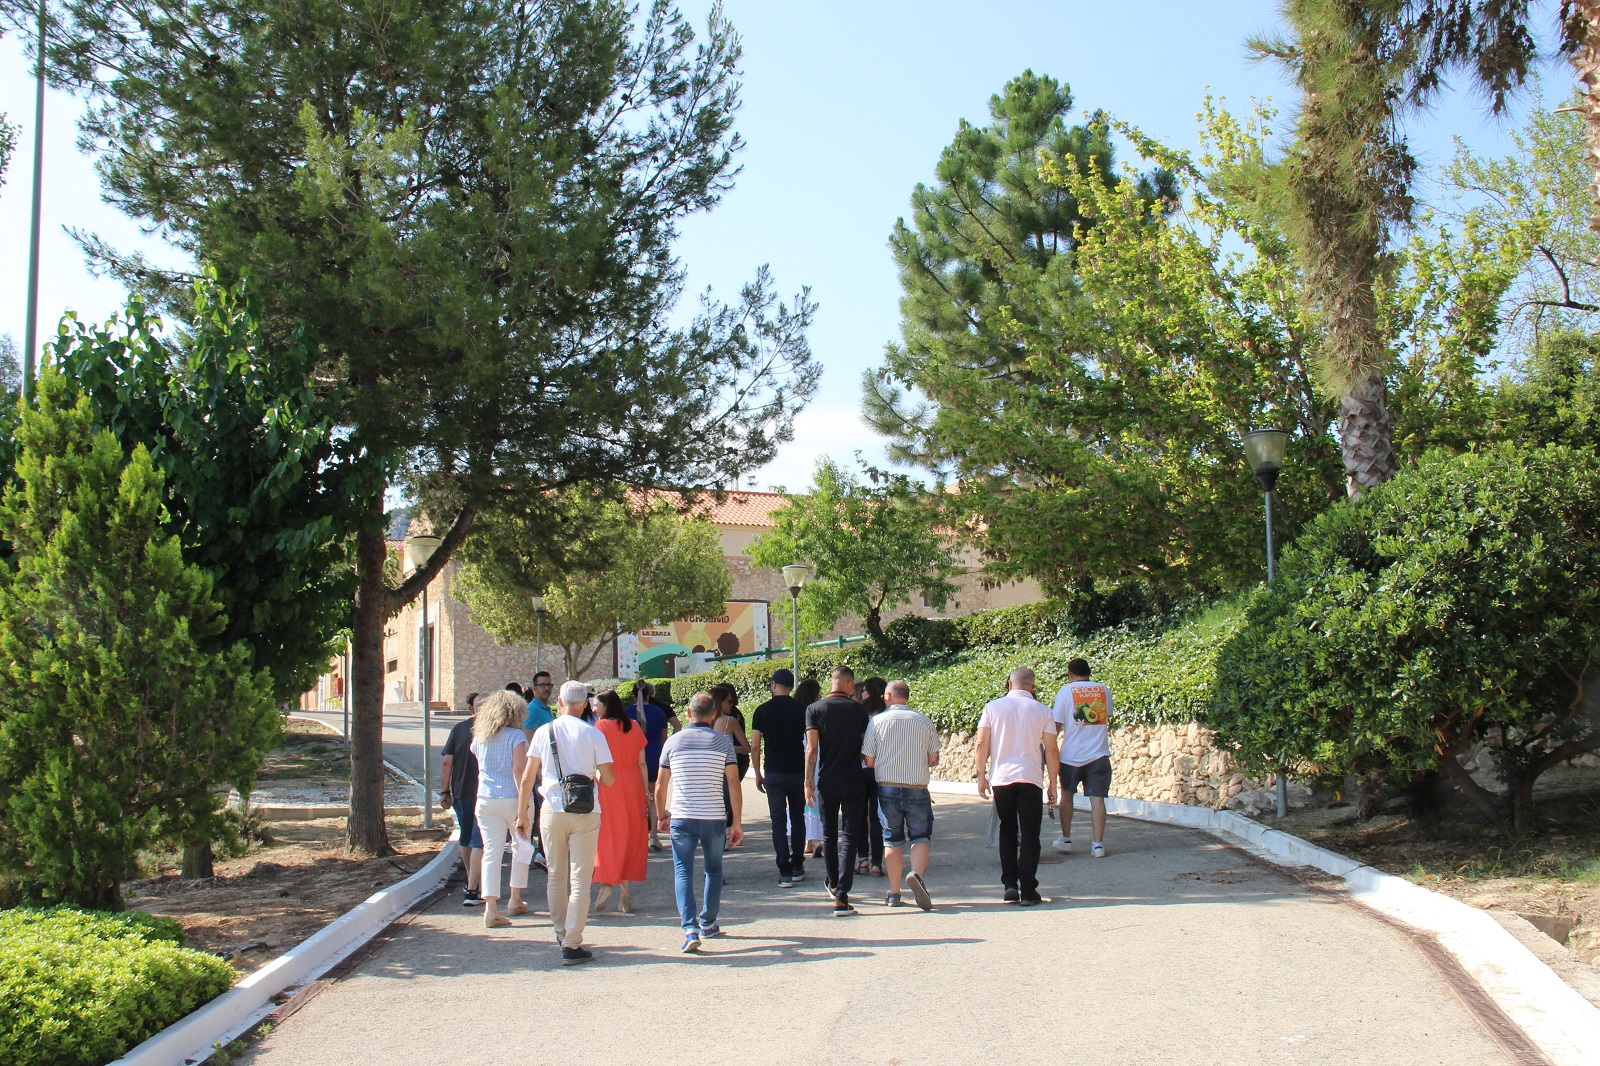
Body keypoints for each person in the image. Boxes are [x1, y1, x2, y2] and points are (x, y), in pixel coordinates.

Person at [516, 680, 615, 965]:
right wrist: (591, 774)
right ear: (585, 704)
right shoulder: (593, 733)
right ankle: (573, 941)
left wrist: (522, 814)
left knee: (555, 874)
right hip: (585, 810)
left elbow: (527, 776)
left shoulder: (544, 732)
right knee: (580, 877)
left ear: (559, 702)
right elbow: (608, 779)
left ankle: (560, 933)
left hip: (552, 809)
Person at [655, 691, 744, 954]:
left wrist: (661, 815)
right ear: (714, 714)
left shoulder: (673, 742)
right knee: (713, 870)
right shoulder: (723, 743)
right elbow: (733, 784)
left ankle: (689, 928)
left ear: (688, 714)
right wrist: (736, 821)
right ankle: (709, 921)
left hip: (682, 816)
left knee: (683, 871)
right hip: (714, 817)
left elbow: (661, 785)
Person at [975, 667, 1060, 906]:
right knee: (1031, 834)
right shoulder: (1044, 710)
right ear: (1032, 686)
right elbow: (1051, 750)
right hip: (1030, 777)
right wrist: (1053, 783)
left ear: (1009, 684)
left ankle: (1010, 884)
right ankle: (1029, 889)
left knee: (1008, 830)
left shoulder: (992, 708)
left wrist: (981, 775)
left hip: (1002, 778)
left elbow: (982, 743)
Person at [862, 679, 942, 910]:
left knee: (892, 839)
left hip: (887, 787)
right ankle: (915, 874)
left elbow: (868, 760)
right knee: (920, 836)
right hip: (916, 787)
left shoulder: (876, 722)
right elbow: (933, 758)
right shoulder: (923, 721)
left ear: (887, 696)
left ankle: (894, 892)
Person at [804, 665, 870, 916]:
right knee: (851, 836)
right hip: (854, 779)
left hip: (827, 780)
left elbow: (811, 750)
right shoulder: (858, 711)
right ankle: (842, 895)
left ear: (832, 682)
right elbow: (865, 747)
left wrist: (808, 783)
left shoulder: (814, 709)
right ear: (849, 683)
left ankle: (832, 882)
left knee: (830, 835)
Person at [469, 690, 531, 929]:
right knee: (520, 847)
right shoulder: (516, 736)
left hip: (485, 798)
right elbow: (518, 770)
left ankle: (490, 908)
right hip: (512, 796)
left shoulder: (480, 737)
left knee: (491, 852)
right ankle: (515, 899)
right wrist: (524, 804)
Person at [750, 668, 808, 887]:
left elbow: (755, 746)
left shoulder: (762, 711)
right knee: (798, 819)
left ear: (774, 684)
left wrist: (757, 773)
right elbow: (811, 743)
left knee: (778, 822)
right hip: (797, 770)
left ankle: (784, 870)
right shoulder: (802, 710)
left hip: (773, 771)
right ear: (791, 687)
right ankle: (798, 864)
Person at [592, 690, 649, 913]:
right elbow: (642, 762)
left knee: (607, 834)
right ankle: (625, 891)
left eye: (597, 705)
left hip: (608, 782)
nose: (594, 709)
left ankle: (606, 882)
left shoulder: (600, 728)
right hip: (632, 781)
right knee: (630, 834)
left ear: (607, 706)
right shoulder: (633, 725)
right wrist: (646, 792)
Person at [1051, 657, 1114, 858]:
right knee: (1097, 799)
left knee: (1067, 795)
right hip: (1099, 754)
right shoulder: (1104, 690)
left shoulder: (1065, 691)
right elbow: (1107, 715)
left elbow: (1057, 724)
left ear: (1070, 674)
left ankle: (1066, 839)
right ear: (1089, 672)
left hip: (1071, 755)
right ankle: (1098, 845)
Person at [439, 692, 484, 906]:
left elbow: (447, 762)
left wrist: (444, 791)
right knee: (480, 839)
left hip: (462, 791)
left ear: (470, 710)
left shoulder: (459, 729)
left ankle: (471, 879)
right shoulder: (496, 729)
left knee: (466, 836)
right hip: (486, 793)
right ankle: (476, 884)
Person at [629, 681, 678, 851]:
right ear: (651, 694)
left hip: (634, 757)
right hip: (655, 754)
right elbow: (664, 737)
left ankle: (637, 836)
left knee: (636, 798)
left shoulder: (627, 712)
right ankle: (653, 835)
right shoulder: (658, 712)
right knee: (652, 796)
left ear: (633, 695)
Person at [857, 677, 888, 877]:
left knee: (859, 816)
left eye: (865, 690)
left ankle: (862, 859)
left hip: (859, 768)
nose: (863, 693)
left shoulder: (858, 712)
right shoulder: (886, 714)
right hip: (880, 769)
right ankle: (877, 862)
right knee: (876, 817)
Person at [710, 684, 750, 838]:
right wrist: (736, 749)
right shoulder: (730, 721)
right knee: (728, 799)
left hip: (708, 768)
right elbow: (746, 747)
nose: (731, 705)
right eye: (729, 701)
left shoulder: (705, 722)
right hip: (726, 767)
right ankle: (727, 832)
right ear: (720, 702)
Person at [793, 677, 825, 857]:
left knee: (802, 799)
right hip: (817, 751)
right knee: (816, 794)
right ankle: (817, 839)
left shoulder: (795, 710)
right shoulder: (817, 711)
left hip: (801, 753)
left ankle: (807, 841)